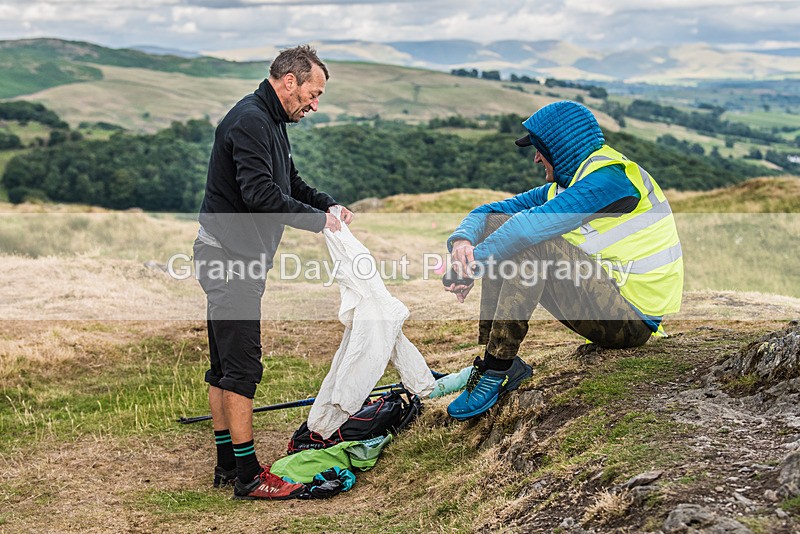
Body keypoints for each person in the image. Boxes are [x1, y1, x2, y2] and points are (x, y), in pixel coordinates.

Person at [444, 100, 683, 421]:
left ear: (560, 146)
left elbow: (527, 230)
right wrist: (461, 241)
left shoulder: (612, 180)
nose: (536, 157)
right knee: (502, 226)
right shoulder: (569, 185)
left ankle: (498, 368)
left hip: (633, 323)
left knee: (530, 241)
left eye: (540, 148)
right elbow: (489, 213)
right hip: (607, 302)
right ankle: (491, 360)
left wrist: (471, 266)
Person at [193, 45, 354, 500]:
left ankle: (227, 465)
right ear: (289, 82)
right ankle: (247, 476)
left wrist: (327, 204)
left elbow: (289, 182)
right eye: (313, 93)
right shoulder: (251, 121)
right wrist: (318, 220)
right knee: (241, 370)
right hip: (229, 261)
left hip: (229, 257)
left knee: (224, 368)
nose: (315, 104)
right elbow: (263, 195)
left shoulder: (269, 122)